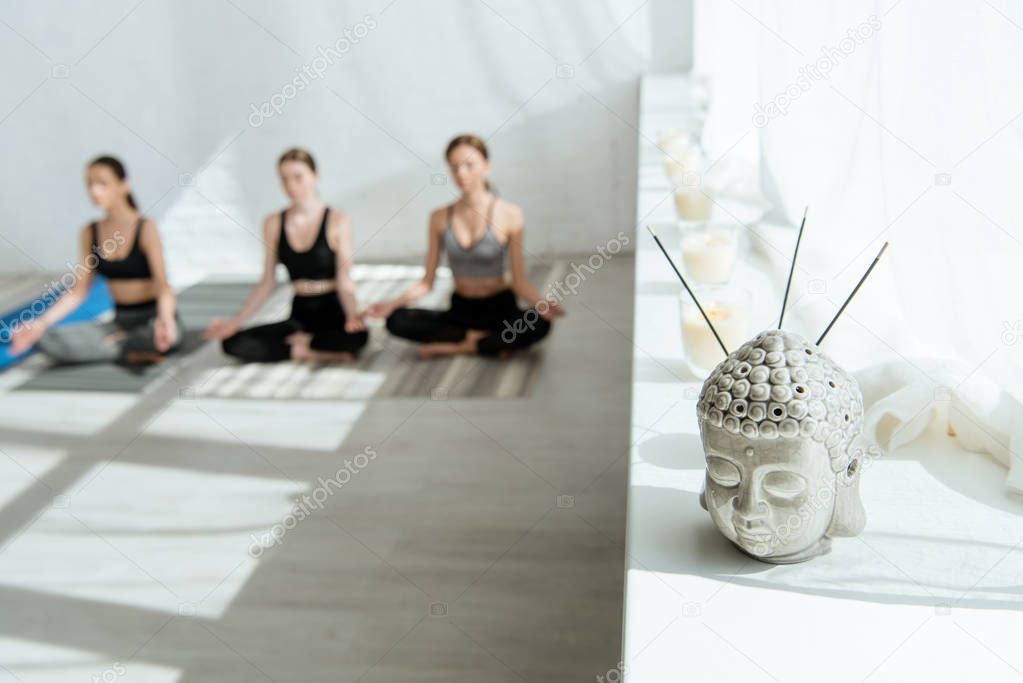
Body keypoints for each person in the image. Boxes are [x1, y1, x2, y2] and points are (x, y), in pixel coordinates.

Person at [364, 134, 564, 358]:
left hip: (500, 308)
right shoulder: (439, 217)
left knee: (539, 324)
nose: (461, 174)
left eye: (469, 165)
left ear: (486, 166)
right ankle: (488, 343)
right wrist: (391, 304)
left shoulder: (510, 214)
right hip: (461, 310)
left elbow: (519, 281)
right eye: (454, 167)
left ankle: (461, 345)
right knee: (396, 320)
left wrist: (541, 303)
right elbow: (426, 282)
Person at [9, 156, 181, 365]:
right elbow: (78, 292)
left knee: (161, 337)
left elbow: (163, 286)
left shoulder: (145, 228)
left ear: (123, 185)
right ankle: (125, 346)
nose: (94, 191)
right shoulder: (90, 232)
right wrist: (41, 323)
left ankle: (127, 344)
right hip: (119, 322)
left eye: (102, 183)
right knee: (46, 339)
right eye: (89, 184)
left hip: (152, 318)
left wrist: (166, 319)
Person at [204, 148, 367, 362]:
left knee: (358, 337)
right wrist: (236, 322)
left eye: (298, 178)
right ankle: (305, 350)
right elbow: (267, 282)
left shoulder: (338, 220)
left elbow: (344, 279)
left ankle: (308, 345)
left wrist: (352, 315)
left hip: (333, 310)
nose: (291, 186)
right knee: (233, 342)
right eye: (285, 179)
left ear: (315, 176)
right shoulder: (273, 223)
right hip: (300, 313)